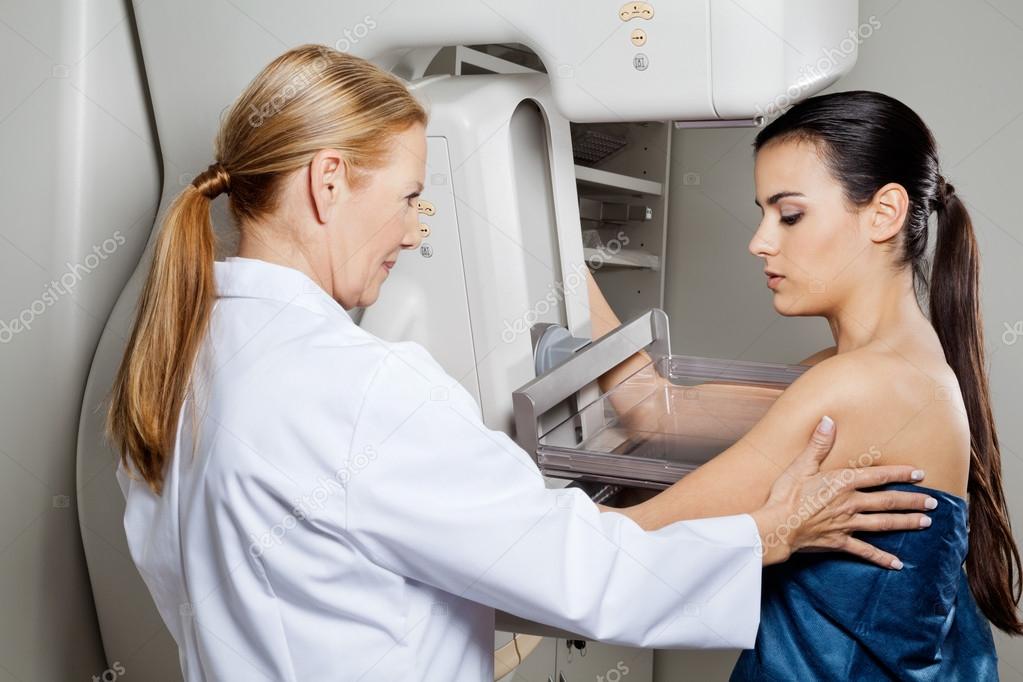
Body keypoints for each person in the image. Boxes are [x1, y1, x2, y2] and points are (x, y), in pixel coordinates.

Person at [106, 46, 936, 681]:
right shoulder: (359, 387)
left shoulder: (175, 361)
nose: (413, 230)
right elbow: (571, 567)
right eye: (407, 198)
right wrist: (766, 534)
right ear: (328, 183)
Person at [588, 91, 1018, 681]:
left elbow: (633, 542)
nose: (760, 241)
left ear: (884, 213)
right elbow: (654, 410)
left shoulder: (864, 384)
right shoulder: (879, 364)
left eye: (789, 215)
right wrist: (557, 252)